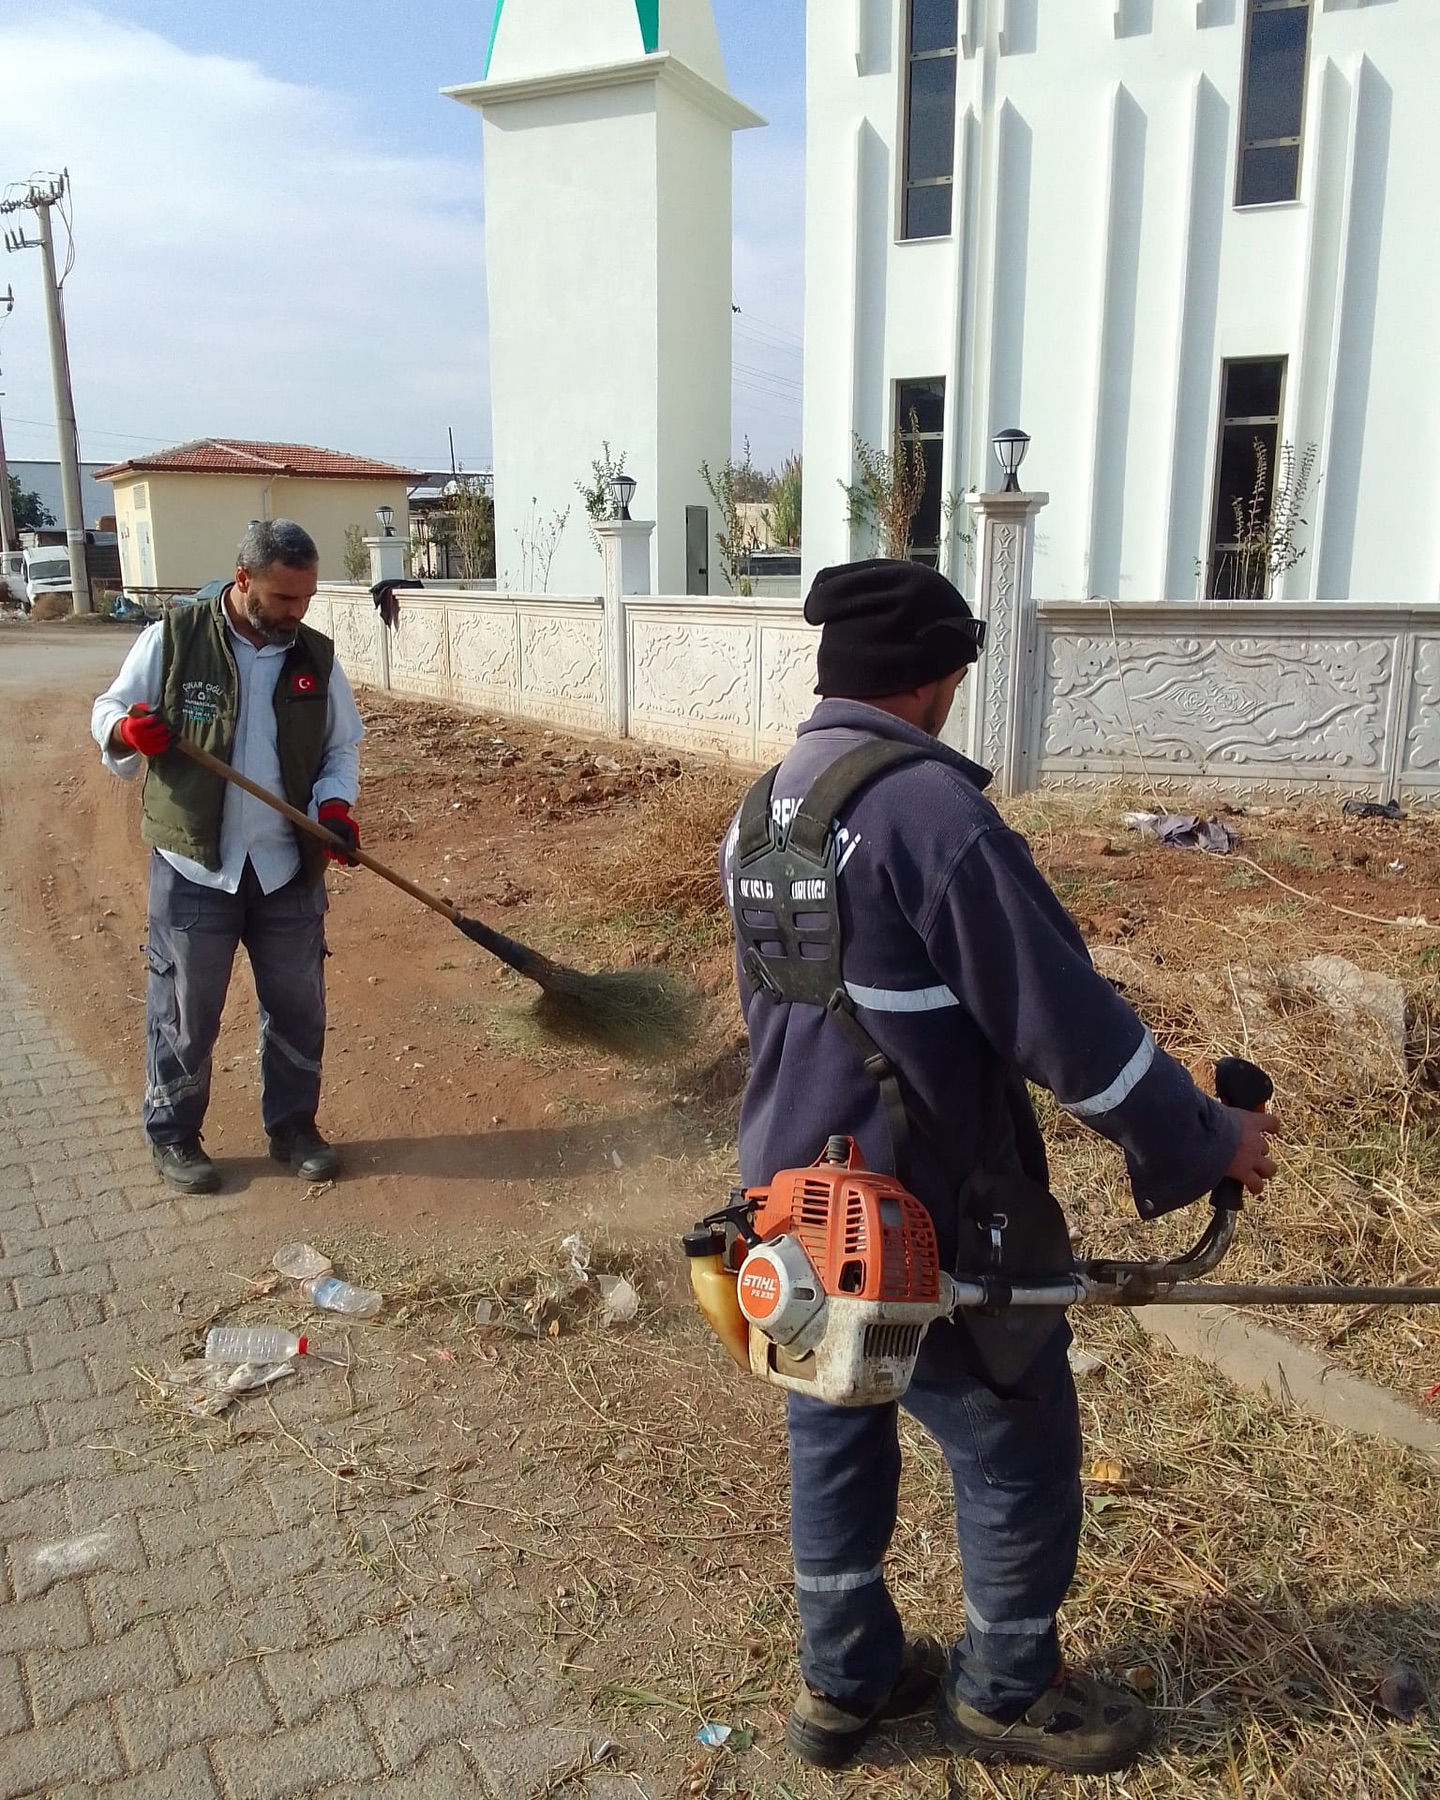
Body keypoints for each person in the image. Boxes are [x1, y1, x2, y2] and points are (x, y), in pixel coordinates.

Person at [721, 558, 1278, 1775]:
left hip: (794, 1200)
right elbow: (1069, 1029)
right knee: (1015, 1438)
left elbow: (779, 1019)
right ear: (934, 680)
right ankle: (1007, 1692)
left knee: (836, 1423)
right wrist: (1205, 1138)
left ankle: (842, 1680)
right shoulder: (934, 817)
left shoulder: (763, 808)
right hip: (925, 1212)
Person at [92, 519, 364, 1195]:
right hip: (196, 869)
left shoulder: (315, 660)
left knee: (298, 1005)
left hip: (285, 869)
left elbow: (340, 749)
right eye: (282, 600)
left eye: (304, 601)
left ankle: (294, 1129)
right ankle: (174, 1136)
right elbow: (107, 710)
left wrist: (333, 808)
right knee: (185, 1008)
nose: (295, 615)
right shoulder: (174, 640)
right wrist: (129, 730)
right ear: (243, 580)